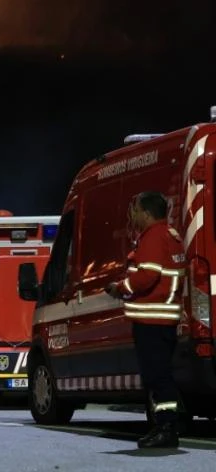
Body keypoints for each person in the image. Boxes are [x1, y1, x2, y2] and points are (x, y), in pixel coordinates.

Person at [105, 191, 185, 449]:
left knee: (157, 377)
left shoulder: (152, 238)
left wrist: (120, 287)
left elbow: (146, 277)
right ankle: (164, 425)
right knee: (160, 375)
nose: (133, 215)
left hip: (152, 320)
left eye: (136, 210)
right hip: (164, 317)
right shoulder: (170, 236)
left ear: (147, 214)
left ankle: (166, 428)